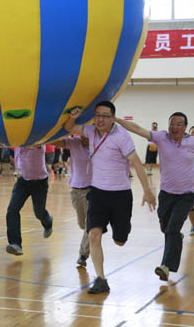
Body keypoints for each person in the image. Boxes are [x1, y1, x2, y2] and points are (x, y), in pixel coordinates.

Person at [116, 115, 194, 281]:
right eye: (172, 124)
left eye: (179, 124)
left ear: (185, 127)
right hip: (166, 194)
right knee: (166, 227)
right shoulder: (161, 137)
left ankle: (166, 266)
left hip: (187, 195)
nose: (174, 127)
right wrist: (117, 120)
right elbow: (138, 129)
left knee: (171, 229)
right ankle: (176, 237)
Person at [64, 101, 156, 294]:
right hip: (97, 193)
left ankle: (123, 228)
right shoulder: (90, 131)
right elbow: (70, 128)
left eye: (105, 116)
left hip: (120, 195)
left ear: (113, 118)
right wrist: (73, 117)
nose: (100, 119)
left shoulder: (122, 136)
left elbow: (136, 162)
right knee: (93, 235)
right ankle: (101, 279)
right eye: (97, 115)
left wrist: (147, 190)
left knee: (120, 240)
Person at [49, 134, 91, 266]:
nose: (86, 137)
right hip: (76, 190)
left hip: (93, 191)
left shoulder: (99, 143)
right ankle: (88, 239)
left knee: (91, 225)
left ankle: (83, 255)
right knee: (82, 224)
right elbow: (55, 141)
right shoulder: (75, 142)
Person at [5, 145, 54, 256]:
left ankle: (48, 222)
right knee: (12, 210)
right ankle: (15, 244)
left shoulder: (38, 140)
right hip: (23, 181)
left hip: (40, 182)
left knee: (39, 212)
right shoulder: (17, 142)